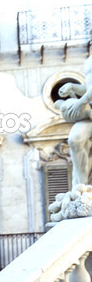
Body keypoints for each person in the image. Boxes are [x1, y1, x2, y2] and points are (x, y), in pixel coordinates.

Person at [56, 54, 92, 187]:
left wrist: (80, 103)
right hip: (89, 111)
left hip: (85, 106)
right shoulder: (88, 61)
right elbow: (88, 89)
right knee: (75, 140)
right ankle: (82, 187)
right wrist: (72, 87)